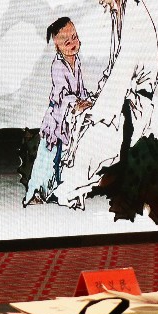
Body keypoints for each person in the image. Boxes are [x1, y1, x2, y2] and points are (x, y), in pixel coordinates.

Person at [58, 0, 158, 209]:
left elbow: (122, 73)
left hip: (135, 104)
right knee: (79, 120)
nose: (101, 0)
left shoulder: (134, 19)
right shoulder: (121, 13)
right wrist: (95, 99)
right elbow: (113, 69)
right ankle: (73, 186)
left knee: (92, 136)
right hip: (120, 98)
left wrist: (96, 110)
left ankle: (73, 190)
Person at [23, 17, 91, 206]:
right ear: (57, 46)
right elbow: (62, 94)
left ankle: (59, 190)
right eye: (67, 42)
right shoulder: (58, 65)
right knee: (48, 155)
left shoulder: (76, 61)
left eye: (75, 37)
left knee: (64, 156)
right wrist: (76, 103)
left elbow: (80, 89)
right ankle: (36, 193)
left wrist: (87, 99)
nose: (73, 44)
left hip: (70, 116)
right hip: (57, 116)